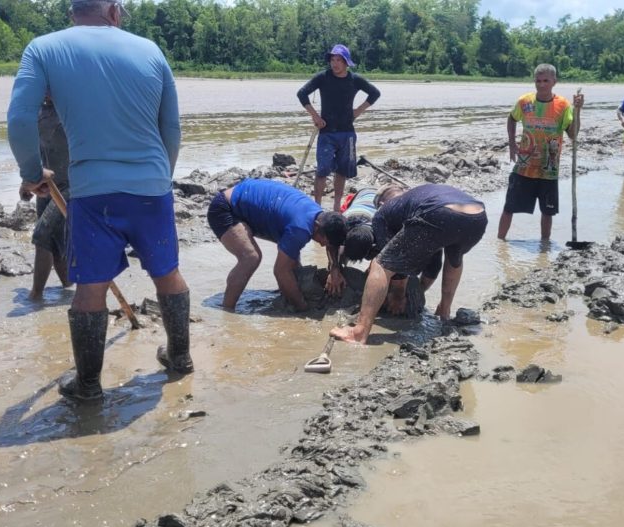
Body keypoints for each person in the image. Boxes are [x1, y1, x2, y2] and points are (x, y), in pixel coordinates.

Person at [7, 0, 192, 403]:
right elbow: (172, 128)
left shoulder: (43, 47)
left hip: (92, 191)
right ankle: (180, 358)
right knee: (167, 272)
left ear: (74, 11)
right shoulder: (150, 50)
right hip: (150, 185)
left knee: (90, 288)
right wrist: (162, 177)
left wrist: (32, 172)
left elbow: (20, 118)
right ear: (112, 10)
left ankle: (88, 385)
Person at [330, 184, 487, 344]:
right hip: (478, 216)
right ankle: (444, 312)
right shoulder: (416, 197)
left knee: (381, 265)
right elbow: (439, 260)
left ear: (381, 204)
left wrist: (398, 294)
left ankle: (358, 332)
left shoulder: (383, 213)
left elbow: (390, 263)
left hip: (439, 212)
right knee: (455, 258)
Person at [206, 178, 347, 311]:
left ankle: (287, 297)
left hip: (247, 199)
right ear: (317, 226)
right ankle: (227, 311)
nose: (322, 246)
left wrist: (335, 268)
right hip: (225, 208)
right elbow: (280, 271)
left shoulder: (319, 215)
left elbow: (332, 243)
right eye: (323, 241)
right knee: (250, 257)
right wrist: (303, 309)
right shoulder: (301, 227)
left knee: (292, 263)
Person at [498, 63, 583, 241]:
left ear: (554, 82)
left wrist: (578, 111)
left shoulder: (563, 105)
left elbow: (573, 134)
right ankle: (500, 242)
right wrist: (512, 143)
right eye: (538, 81)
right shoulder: (525, 102)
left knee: (547, 211)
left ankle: (544, 246)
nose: (542, 84)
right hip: (525, 165)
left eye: (546, 81)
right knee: (509, 207)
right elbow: (512, 118)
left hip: (549, 168)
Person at [296, 44, 381, 211]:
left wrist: (358, 110)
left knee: (342, 171)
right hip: (326, 132)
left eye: (339, 60)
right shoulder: (323, 77)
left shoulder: (354, 80)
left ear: (346, 63)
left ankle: (336, 208)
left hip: (347, 132)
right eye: (332, 60)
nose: (335, 64)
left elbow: (375, 93)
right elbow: (301, 93)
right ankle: (317, 207)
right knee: (322, 171)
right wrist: (315, 116)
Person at [25, 97, 72, 300]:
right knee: (55, 240)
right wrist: (28, 179)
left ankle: (35, 296)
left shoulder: (73, 108)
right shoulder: (37, 112)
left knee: (42, 233)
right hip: (46, 182)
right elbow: (33, 149)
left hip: (73, 185)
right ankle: (68, 287)